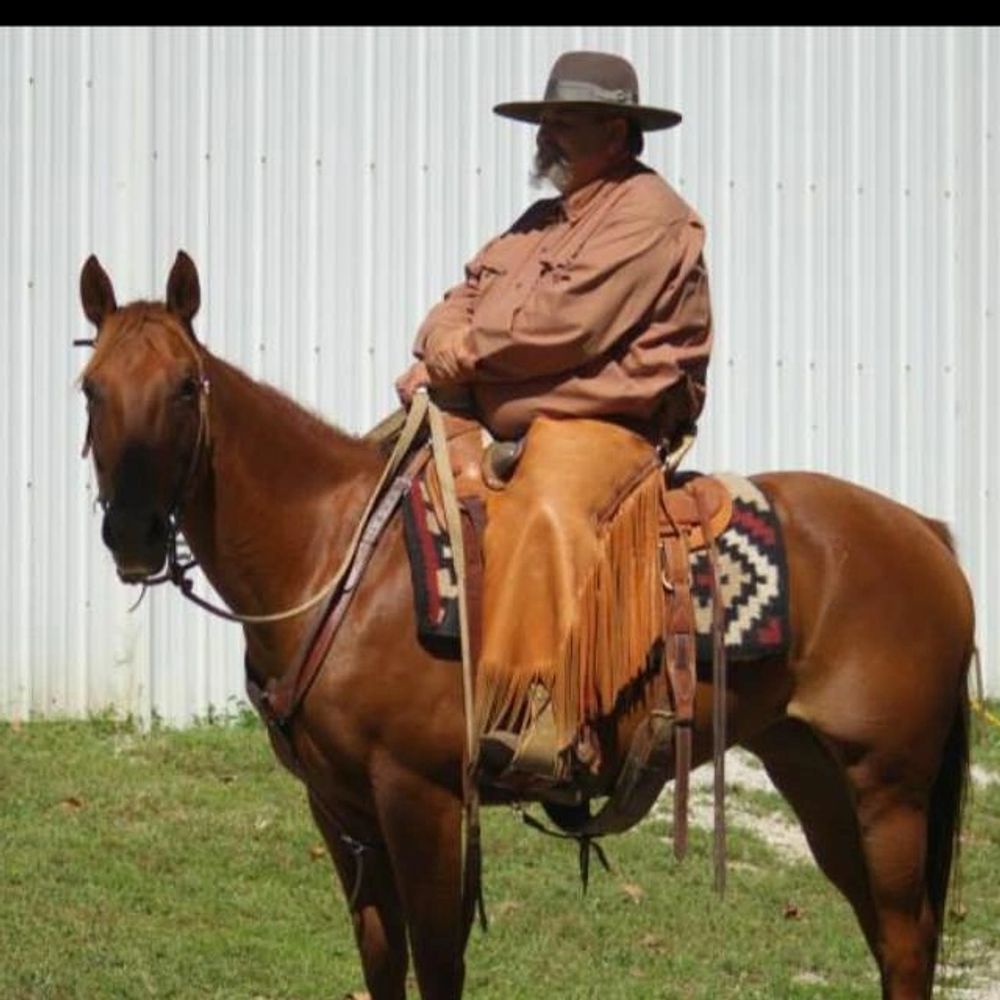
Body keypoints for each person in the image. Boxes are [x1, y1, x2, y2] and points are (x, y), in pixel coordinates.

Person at [396, 51, 713, 782]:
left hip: (603, 421)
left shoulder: (649, 214)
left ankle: (536, 715)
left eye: (564, 122)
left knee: (545, 506)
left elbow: (566, 327)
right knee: (390, 486)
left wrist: (457, 355)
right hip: (495, 408)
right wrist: (442, 343)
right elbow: (461, 295)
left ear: (616, 132)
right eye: (545, 121)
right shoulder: (542, 221)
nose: (546, 135)